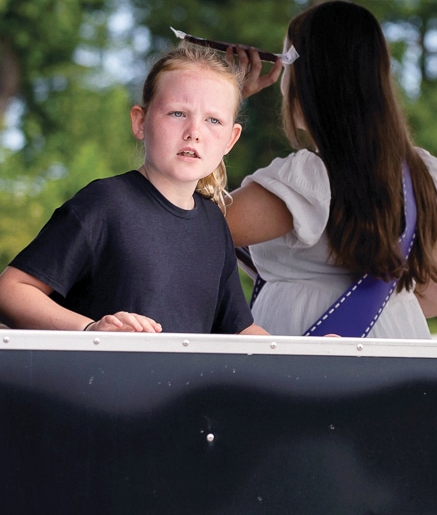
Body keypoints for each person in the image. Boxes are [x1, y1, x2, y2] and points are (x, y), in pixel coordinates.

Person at [225, 0, 437, 338]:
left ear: (308, 79)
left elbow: (190, 228)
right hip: (401, 349)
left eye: (285, 63)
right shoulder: (423, 174)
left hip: (307, 358)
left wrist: (227, 97)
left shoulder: (304, 181)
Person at [0, 45, 266, 335]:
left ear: (230, 139)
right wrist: (91, 330)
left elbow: (240, 330)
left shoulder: (214, 224)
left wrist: (303, 350)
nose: (194, 132)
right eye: (177, 113)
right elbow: (11, 290)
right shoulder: (104, 204)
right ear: (140, 121)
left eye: (213, 120)